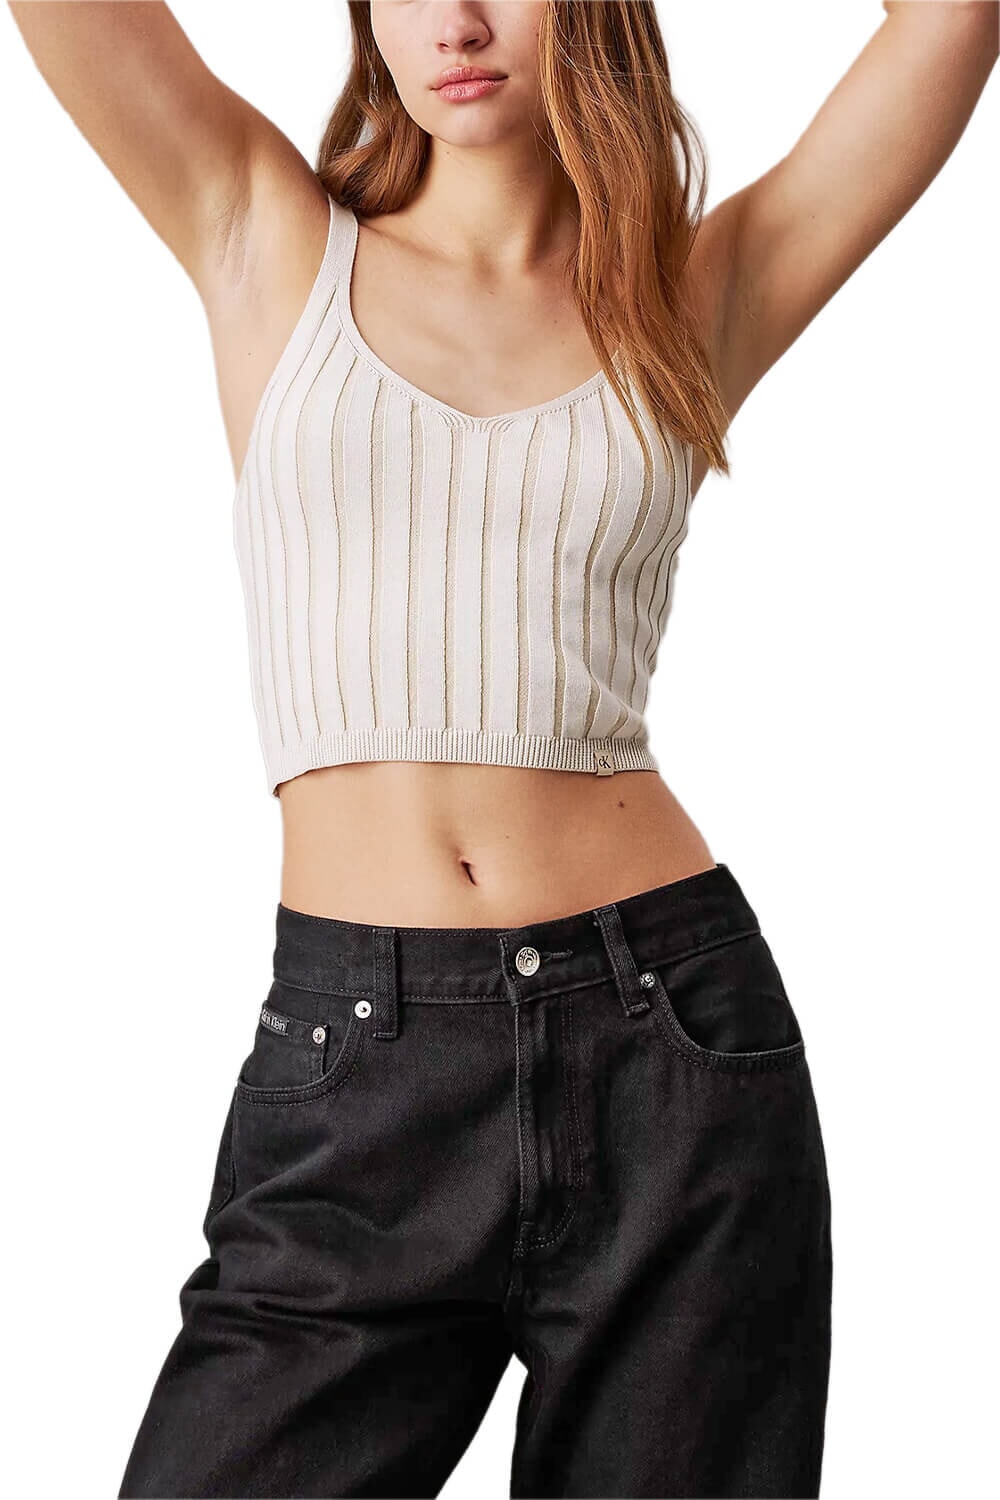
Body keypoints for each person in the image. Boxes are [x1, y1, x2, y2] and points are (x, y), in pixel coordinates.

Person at [9, 2, 996, 1496]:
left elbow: (950, 25)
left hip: (669, 1044)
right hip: (361, 1054)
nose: (457, 22)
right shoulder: (261, 229)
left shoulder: (686, 296)